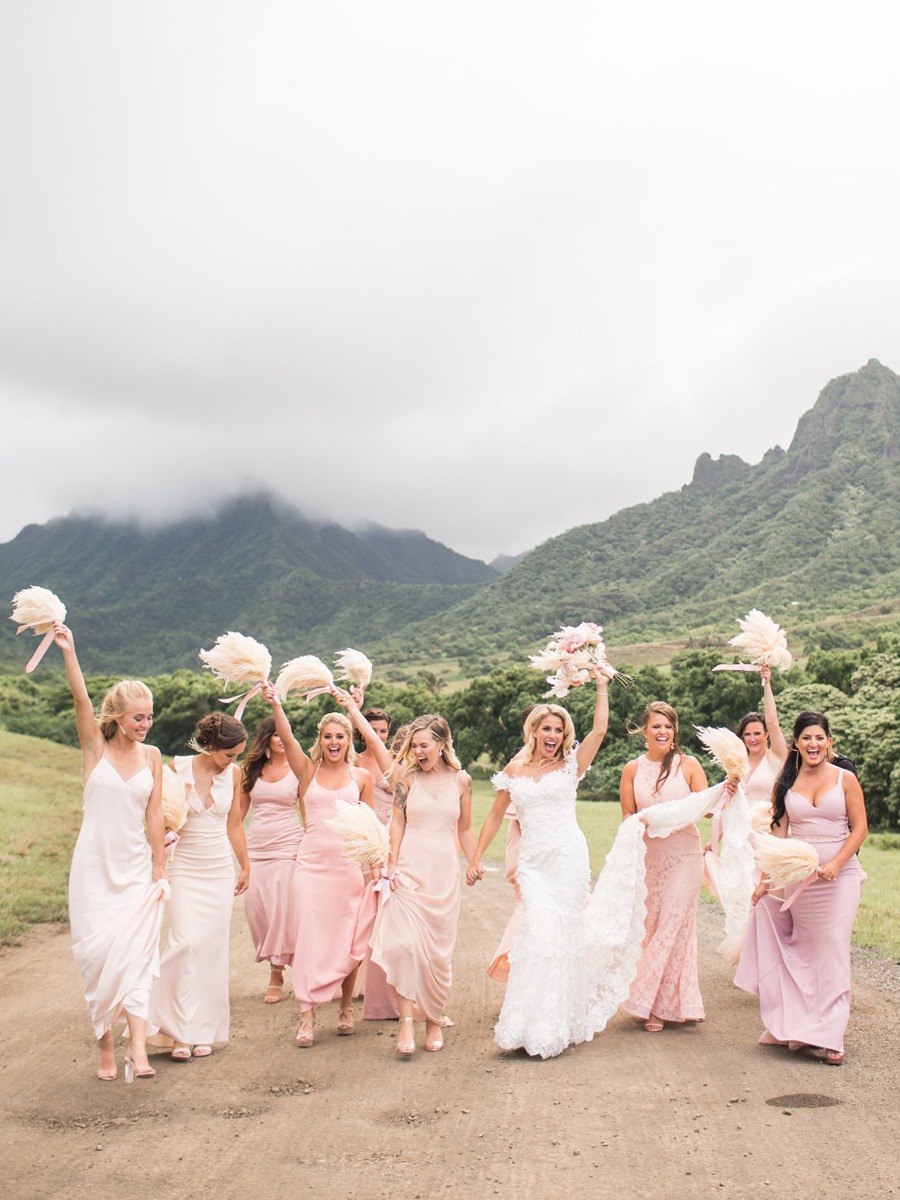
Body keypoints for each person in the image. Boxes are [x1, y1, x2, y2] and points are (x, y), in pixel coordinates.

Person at [466, 670, 610, 1058]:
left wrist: (600, 686)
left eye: (559, 731)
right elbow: (495, 816)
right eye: (547, 728)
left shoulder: (571, 767)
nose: (553, 736)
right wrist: (476, 857)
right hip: (533, 865)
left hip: (568, 860)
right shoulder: (514, 770)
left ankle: (554, 1022)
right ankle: (523, 1022)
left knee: (561, 937)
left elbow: (599, 730)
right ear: (534, 731)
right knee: (536, 933)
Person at [51, 621, 167, 1082]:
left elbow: (155, 815)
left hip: (136, 869)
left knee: (136, 956)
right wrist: (69, 651)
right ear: (118, 717)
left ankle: (137, 1049)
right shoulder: (94, 748)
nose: (146, 723)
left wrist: (161, 867)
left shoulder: (153, 756)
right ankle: (105, 1044)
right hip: (93, 872)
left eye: (150, 715)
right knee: (100, 963)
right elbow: (81, 699)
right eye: (139, 717)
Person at [734, 711, 867, 1065]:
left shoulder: (845, 779)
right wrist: (764, 881)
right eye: (806, 738)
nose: (813, 744)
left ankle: (831, 1034)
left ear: (829, 742)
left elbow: (860, 829)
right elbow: (778, 839)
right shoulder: (785, 783)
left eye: (819, 738)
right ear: (796, 744)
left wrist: (836, 864)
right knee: (804, 951)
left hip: (840, 877)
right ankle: (800, 1025)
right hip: (799, 879)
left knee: (834, 948)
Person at [260, 683, 376, 1047]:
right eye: (327, 736)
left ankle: (345, 1007)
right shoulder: (306, 772)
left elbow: (371, 829)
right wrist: (276, 703)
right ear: (321, 740)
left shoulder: (362, 778)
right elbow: (287, 736)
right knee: (310, 939)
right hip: (310, 867)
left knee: (348, 939)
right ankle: (306, 1015)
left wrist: (374, 868)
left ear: (349, 739)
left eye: (340, 735)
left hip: (347, 869)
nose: (334, 742)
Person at [367, 713, 477, 1056]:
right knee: (403, 945)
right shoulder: (407, 778)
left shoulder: (462, 781)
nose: (417, 752)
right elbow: (397, 822)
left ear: (441, 745)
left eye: (423, 745)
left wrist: (474, 861)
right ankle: (406, 1022)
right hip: (409, 866)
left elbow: (465, 829)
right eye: (413, 746)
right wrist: (391, 861)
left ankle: (432, 1021)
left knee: (437, 953)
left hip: (443, 870)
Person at [149, 713, 250, 1059]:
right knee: (185, 942)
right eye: (228, 755)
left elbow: (234, 824)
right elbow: (158, 817)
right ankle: (177, 1031)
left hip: (219, 867)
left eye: (236, 755)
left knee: (211, 948)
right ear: (210, 746)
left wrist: (245, 865)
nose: (232, 762)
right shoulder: (176, 768)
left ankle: (203, 1029)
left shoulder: (234, 774)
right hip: (185, 867)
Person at [619, 701, 709, 1032]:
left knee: (674, 925)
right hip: (650, 858)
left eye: (668, 726)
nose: (663, 732)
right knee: (654, 927)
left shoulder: (688, 765)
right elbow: (628, 815)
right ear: (644, 731)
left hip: (685, 854)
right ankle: (677, 1000)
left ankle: (654, 1005)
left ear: (675, 731)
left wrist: (726, 792)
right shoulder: (632, 769)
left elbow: (706, 807)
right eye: (656, 726)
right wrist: (644, 821)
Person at [239, 715, 303, 1003]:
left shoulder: (298, 769)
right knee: (259, 912)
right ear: (266, 737)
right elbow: (236, 817)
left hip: (288, 846)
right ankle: (274, 962)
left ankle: (276, 974)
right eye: (274, 734)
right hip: (257, 849)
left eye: (283, 734)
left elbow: (308, 812)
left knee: (282, 910)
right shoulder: (251, 769)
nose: (279, 738)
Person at [345, 705, 400, 1020]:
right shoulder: (353, 762)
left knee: (388, 908)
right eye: (372, 729)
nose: (378, 735)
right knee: (361, 909)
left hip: (390, 838)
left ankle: (381, 976)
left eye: (382, 731)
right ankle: (354, 974)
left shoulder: (395, 762)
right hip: (363, 841)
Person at [735, 664, 790, 807]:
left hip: (768, 824)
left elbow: (772, 722)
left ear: (766, 735)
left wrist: (767, 684)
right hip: (740, 826)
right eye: (747, 734)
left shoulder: (775, 756)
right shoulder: (738, 762)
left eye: (757, 733)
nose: (752, 739)